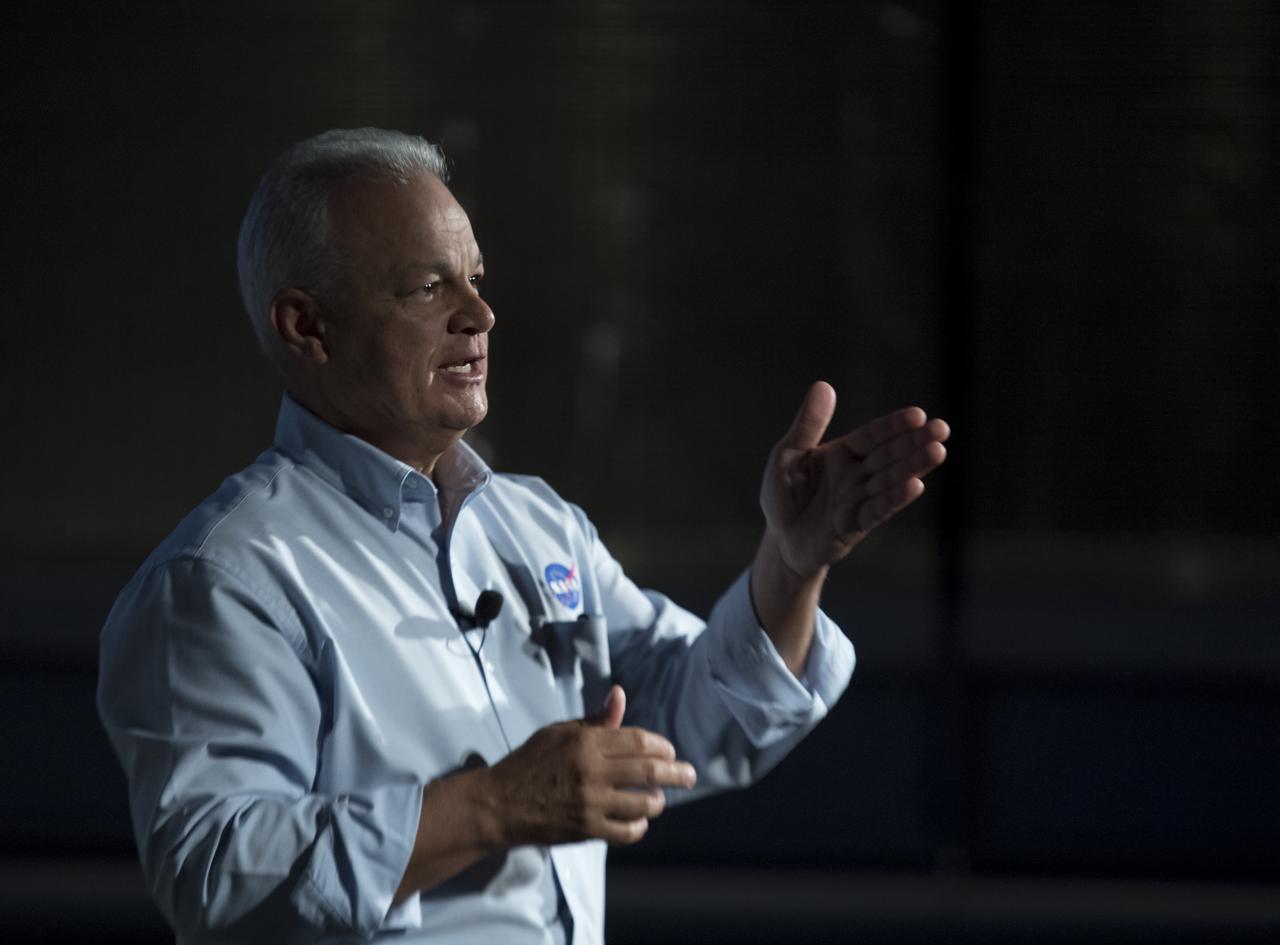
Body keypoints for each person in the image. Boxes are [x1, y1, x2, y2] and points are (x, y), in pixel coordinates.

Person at [98, 128, 950, 945]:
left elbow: (692, 725)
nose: (481, 314)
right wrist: (495, 804)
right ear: (306, 326)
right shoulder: (227, 577)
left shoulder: (533, 523)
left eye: (475, 279)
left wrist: (792, 563)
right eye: (428, 288)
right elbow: (216, 877)